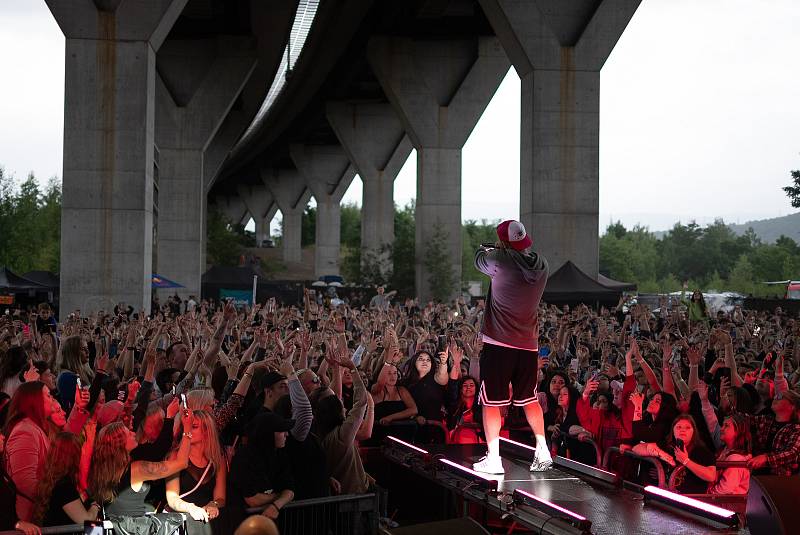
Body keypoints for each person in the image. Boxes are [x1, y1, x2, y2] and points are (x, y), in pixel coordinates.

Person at [471, 220, 551, 474]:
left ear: (503, 242)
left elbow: (477, 259)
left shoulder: (499, 260)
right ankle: (543, 450)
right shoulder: (542, 264)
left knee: (492, 401)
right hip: (528, 345)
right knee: (529, 398)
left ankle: (493, 459)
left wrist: (491, 249)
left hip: (499, 343)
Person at [3, 381, 89, 521]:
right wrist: (58, 499)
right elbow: (24, 482)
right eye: (48, 396)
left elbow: (64, 444)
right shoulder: (25, 431)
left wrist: (78, 407)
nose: (52, 399)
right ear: (34, 400)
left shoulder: (38, 426)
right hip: (31, 519)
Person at [88, 420, 192, 516]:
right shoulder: (137, 469)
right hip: (133, 528)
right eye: (129, 433)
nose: (133, 433)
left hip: (113, 527)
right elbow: (182, 463)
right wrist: (187, 428)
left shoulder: (100, 471)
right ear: (120, 443)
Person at [165, 410, 227, 535]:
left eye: (193, 427)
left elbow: (220, 497)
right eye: (186, 426)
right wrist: (190, 508)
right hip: (181, 519)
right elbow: (171, 498)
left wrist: (213, 504)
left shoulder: (217, 459)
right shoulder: (175, 456)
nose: (187, 430)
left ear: (206, 431)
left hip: (206, 521)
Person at [633, 414, 716, 493]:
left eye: (687, 428)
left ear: (693, 432)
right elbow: (636, 448)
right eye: (678, 427)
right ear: (673, 430)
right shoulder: (667, 445)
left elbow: (711, 476)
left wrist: (686, 461)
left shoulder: (702, 451)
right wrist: (661, 454)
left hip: (690, 499)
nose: (682, 430)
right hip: (667, 497)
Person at [31, 432, 100, 526]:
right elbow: (85, 521)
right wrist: (95, 506)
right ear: (74, 456)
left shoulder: (50, 479)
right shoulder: (64, 486)